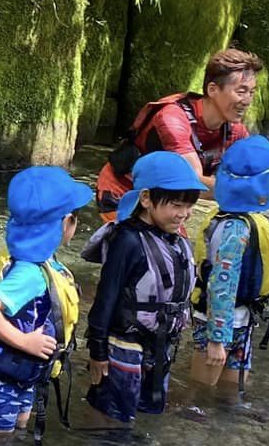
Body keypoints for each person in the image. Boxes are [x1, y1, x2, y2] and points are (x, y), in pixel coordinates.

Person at [101, 48, 269, 206]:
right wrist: (256, 191)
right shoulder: (173, 119)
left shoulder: (235, 131)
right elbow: (193, 184)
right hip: (121, 191)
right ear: (213, 89)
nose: (247, 100)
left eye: (252, 92)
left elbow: (258, 173)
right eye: (241, 91)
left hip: (165, 201)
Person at [0, 166, 90, 440]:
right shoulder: (29, 273)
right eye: (75, 220)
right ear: (65, 223)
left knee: (13, 436)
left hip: (21, 376)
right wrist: (25, 342)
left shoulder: (44, 264)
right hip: (1, 382)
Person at [85, 152, 199, 428]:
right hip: (125, 343)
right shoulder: (127, 240)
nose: (183, 214)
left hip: (160, 345)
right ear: (146, 199)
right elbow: (106, 296)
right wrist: (97, 351)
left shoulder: (174, 239)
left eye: (188, 206)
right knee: (113, 414)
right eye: (175, 205)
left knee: (149, 412)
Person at [188, 135, 269, 399]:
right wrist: (216, 340)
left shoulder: (247, 221)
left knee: (231, 393)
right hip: (218, 325)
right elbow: (221, 284)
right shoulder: (234, 229)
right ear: (264, 183)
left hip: (241, 321)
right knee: (200, 393)